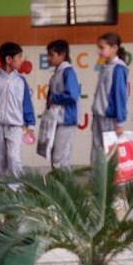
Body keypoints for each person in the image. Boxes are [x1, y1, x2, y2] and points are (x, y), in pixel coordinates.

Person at [0, 42, 36, 181]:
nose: (22, 60)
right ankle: (4, 190)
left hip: (15, 126)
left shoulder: (21, 81)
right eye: (19, 57)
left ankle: (17, 189)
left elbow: (27, 105)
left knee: (13, 157)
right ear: (9, 60)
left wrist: (31, 126)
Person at [92, 32, 130, 157]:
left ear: (114, 48)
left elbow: (120, 96)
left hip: (109, 118)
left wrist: (119, 122)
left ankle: (107, 177)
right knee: (97, 151)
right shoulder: (105, 66)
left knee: (108, 153)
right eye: (99, 48)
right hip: (99, 115)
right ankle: (96, 176)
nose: (100, 51)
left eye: (102, 48)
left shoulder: (118, 69)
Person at [45, 40, 80, 170]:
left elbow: (72, 95)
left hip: (66, 119)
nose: (48, 58)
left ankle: (63, 189)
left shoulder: (68, 71)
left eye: (51, 55)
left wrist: (54, 98)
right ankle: (60, 187)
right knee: (56, 156)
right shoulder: (57, 72)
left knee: (60, 159)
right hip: (57, 119)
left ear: (62, 55)